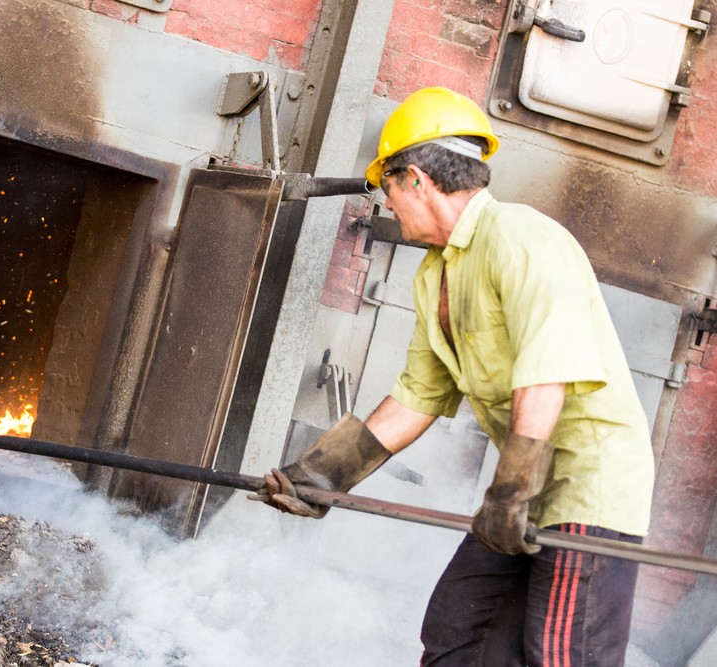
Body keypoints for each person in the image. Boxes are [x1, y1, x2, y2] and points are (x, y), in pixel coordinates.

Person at [249, 86, 655, 666]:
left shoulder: (522, 239)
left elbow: (548, 375)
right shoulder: (435, 274)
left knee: (562, 653)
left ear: (415, 179)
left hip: (588, 489)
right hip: (522, 489)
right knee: (458, 630)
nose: (388, 205)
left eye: (387, 188)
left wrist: (510, 491)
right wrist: (322, 476)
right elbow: (417, 397)